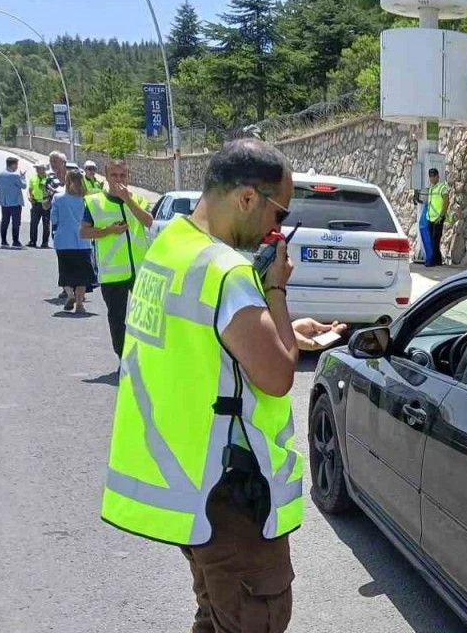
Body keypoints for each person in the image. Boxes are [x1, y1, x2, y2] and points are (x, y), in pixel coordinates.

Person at [100, 138, 345, 633]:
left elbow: (203, 340)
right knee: (257, 616)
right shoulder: (226, 272)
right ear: (248, 199)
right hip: (231, 490)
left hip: (188, 480)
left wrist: (281, 331)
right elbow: (277, 377)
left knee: (214, 613)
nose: (278, 230)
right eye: (280, 214)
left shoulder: (169, 245)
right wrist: (276, 290)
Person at [80, 159, 154, 358]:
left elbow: (148, 221)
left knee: (146, 318)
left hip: (140, 272)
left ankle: (145, 356)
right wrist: (109, 230)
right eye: (114, 175)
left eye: (123, 175)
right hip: (112, 274)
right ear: (107, 176)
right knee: (117, 318)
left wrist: (128, 200)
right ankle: (123, 357)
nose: (119, 179)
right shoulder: (95, 203)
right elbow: (84, 233)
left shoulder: (137, 200)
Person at [51, 170, 94, 313]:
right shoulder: (87, 200)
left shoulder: (58, 198)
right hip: (83, 242)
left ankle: (70, 295)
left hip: (63, 241)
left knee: (65, 272)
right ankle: (80, 304)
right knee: (82, 276)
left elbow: (54, 219)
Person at [0, 156, 26, 248]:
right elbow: (23, 186)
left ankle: (3, 241)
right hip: (15, 202)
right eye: (16, 164)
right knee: (16, 222)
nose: (17, 167)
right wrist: (23, 177)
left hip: (4, 202)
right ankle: (15, 241)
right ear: (12, 165)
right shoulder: (15, 176)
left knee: (5, 221)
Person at [425, 168, 450, 267]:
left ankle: (432, 261)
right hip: (430, 218)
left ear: (437, 176)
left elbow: (446, 202)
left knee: (435, 240)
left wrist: (441, 215)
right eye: (430, 176)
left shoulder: (442, 187)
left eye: (433, 176)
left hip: (438, 218)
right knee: (432, 240)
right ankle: (438, 260)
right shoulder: (431, 188)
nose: (431, 178)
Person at [27, 163, 52, 248]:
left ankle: (45, 242)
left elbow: (52, 191)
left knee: (46, 224)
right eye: (36, 168)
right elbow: (30, 189)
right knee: (33, 223)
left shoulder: (49, 179)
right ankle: (32, 241)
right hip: (36, 203)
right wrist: (30, 197)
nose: (37, 170)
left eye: (39, 168)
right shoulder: (33, 178)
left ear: (44, 169)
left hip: (46, 203)